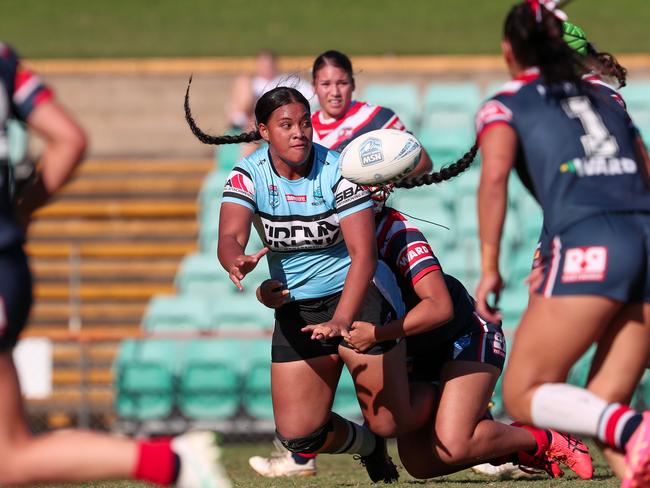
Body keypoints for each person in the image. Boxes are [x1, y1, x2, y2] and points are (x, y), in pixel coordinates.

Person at [0, 43, 230, 487]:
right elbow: (69, 139)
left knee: (8, 458)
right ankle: (173, 463)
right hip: (8, 258)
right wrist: (20, 213)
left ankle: (174, 464)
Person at [185, 83, 435, 484]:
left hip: (360, 296)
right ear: (264, 131)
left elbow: (364, 256)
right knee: (299, 436)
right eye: (286, 125)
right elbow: (229, 238)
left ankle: (450, 393)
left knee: (390, 421)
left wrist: (342, 319)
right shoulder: (248, 175)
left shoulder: (340, 171)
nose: (299, 132)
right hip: (298, 308)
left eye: (304, 123)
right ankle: (368, 447)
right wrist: (238, 262)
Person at [472, 2, 650, 487]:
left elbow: (493, 182)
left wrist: (489, 266)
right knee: (603, 404)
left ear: (509, 50)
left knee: (525, 392)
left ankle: (637, 425)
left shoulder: (505, 102)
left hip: (591, 242)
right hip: (646, 243)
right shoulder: (607, 98)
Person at [247, 49, 434, 478]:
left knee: (424, 322)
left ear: (352, 84)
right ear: (314, 89)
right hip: (323, 261)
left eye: (342, 82)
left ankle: (463, 393)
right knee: (307, 417)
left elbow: (421, 160)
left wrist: (387, 175)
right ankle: (304, 451)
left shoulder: (374, 120)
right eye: (326, 84)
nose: (335, 90)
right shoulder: (300, 128)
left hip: (376, 239)